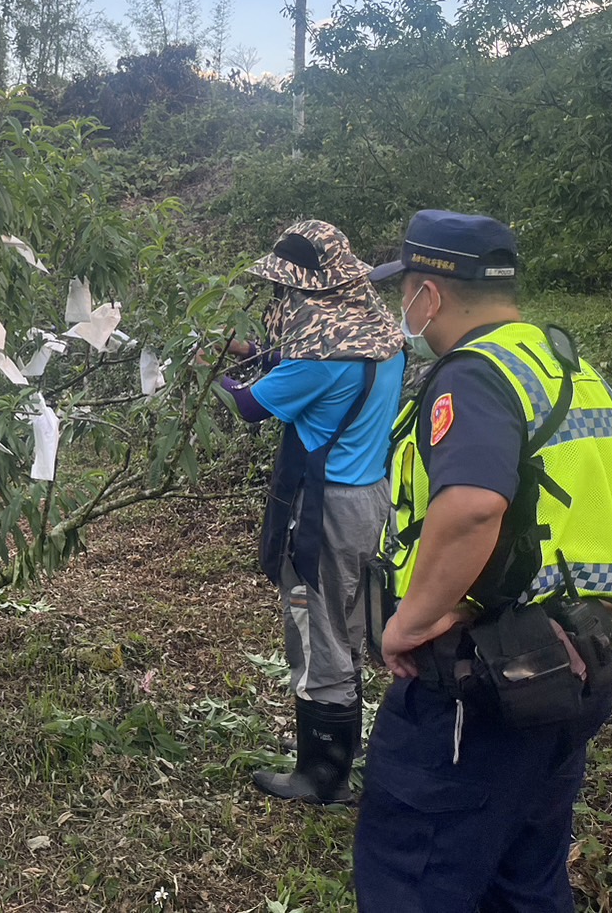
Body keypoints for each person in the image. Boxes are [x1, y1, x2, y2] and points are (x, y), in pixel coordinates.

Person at [353, 209, 612, 912]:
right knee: (524, 878)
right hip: (569, 667)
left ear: (428, 291)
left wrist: (409, 621)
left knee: (413, 875)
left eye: (405, 291)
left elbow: (474, 506)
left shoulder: (473, 379)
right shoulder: (570, 368)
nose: (404, 309)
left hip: (475, 685)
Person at [212, 219, 406, 804]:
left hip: (323, 508)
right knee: (342, 623)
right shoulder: (381, 336)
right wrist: (247, 351)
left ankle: (322, 777)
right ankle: (340, 757)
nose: (282, 302)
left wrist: (208, 374)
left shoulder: (320, 361)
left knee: (312, 624)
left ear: (308, 293)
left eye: (287, 292)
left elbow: (248, 405)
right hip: (369, 496)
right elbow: (290, 363)